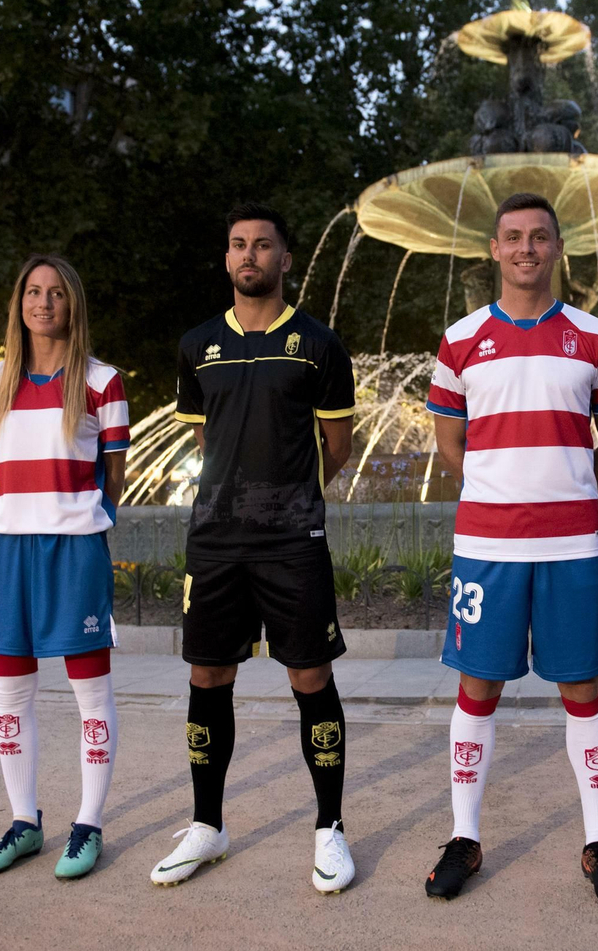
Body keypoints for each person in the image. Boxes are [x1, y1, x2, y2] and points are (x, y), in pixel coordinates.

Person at [421, 192, 598, 907]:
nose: (525, 250)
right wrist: (503, 488)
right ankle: (464, 836)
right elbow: (451, 446)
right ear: (493, 249)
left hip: (573, 547)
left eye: (539, 238)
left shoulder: (596, 337)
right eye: (512, 238)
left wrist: (567, 487)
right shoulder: (459, 340)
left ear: (557, 248)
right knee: (478, 687)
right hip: (487, 548)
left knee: (583, 687)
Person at [149, 202, 357, 894]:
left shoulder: (320, 345)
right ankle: (208, 825)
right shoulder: (196, 344)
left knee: (311, 680)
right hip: (215, 541)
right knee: (208, 679)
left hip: (294, 542)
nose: (249, 256)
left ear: (286, 260)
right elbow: (207, 439)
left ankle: (329, 829)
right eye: (238, 245)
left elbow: (338, 447)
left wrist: (287, 497)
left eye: (263, 246)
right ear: (227, 257)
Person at [0, 254, 129, 881]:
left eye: (56, 293)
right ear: (19, 302)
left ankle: (87, 824)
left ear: (73, 303)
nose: (43, 303)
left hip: (76, 548)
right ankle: (24, 824)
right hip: (9, 548)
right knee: (11, 693)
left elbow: (114, 475)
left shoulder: (102, 382)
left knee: (90, 692)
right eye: (32, 292)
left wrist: (78, 514)